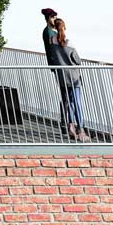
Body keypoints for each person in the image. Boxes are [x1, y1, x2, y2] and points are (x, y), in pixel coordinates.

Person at [43, 9, 86, 139]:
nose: (53, 18)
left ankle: (70, 127)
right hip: (73, 77)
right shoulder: (68, 42)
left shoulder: (52, 41)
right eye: (52, 16)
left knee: (68, 101)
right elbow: (77, 60)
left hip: (62, 75)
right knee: (76, 102)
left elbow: (52, 55)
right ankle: (81, 130)